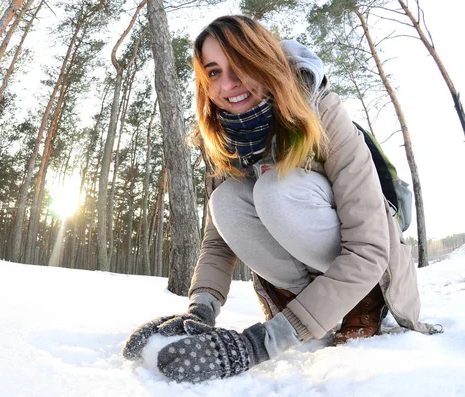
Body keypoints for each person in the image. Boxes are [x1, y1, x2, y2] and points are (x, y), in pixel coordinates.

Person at [122, 15, 440, 383]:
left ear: (266, 61)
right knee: (225, 201)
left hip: (369, 263)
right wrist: (201, 310)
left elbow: (369, 248)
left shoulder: (322, 111)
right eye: (213, 72)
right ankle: (309, 309)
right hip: (309, 270)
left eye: (241, 64)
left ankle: (362, 302)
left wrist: (262, 343)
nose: (229, 84)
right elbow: (218, 239)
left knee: (275, 190)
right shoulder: (227, 137)